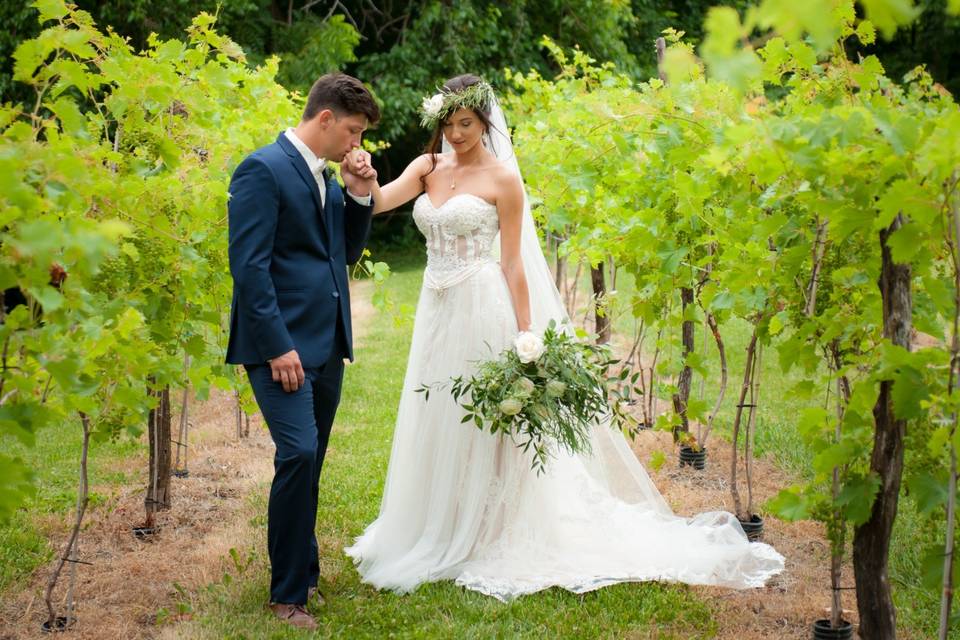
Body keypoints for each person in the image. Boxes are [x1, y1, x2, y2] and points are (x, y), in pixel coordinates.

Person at [344, 74, 784, 600]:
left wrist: (526, 334)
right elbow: (381, 201)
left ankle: (493, 525)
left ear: (486, 122)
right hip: (437, 307)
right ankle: (440, 517)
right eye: (450, 124)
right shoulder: (428, 167)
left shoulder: (504, 178)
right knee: (439, 404)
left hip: (483, 304)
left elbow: (511, 263)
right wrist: (361, 175)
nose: (457, 134)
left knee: (490, 417)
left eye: (467, 124)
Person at [226, 72, 379, 629]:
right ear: (324, 119)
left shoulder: (327, 176)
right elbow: (249, 267)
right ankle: (285, 595)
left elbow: (343, 252)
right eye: (353, 132)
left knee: (309, 462)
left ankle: (304, 571)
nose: (356, 144)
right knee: (298, 454)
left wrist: (359, 192)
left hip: (326, 342)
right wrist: (277, 347)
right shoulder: (261, 170)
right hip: (280, 348)